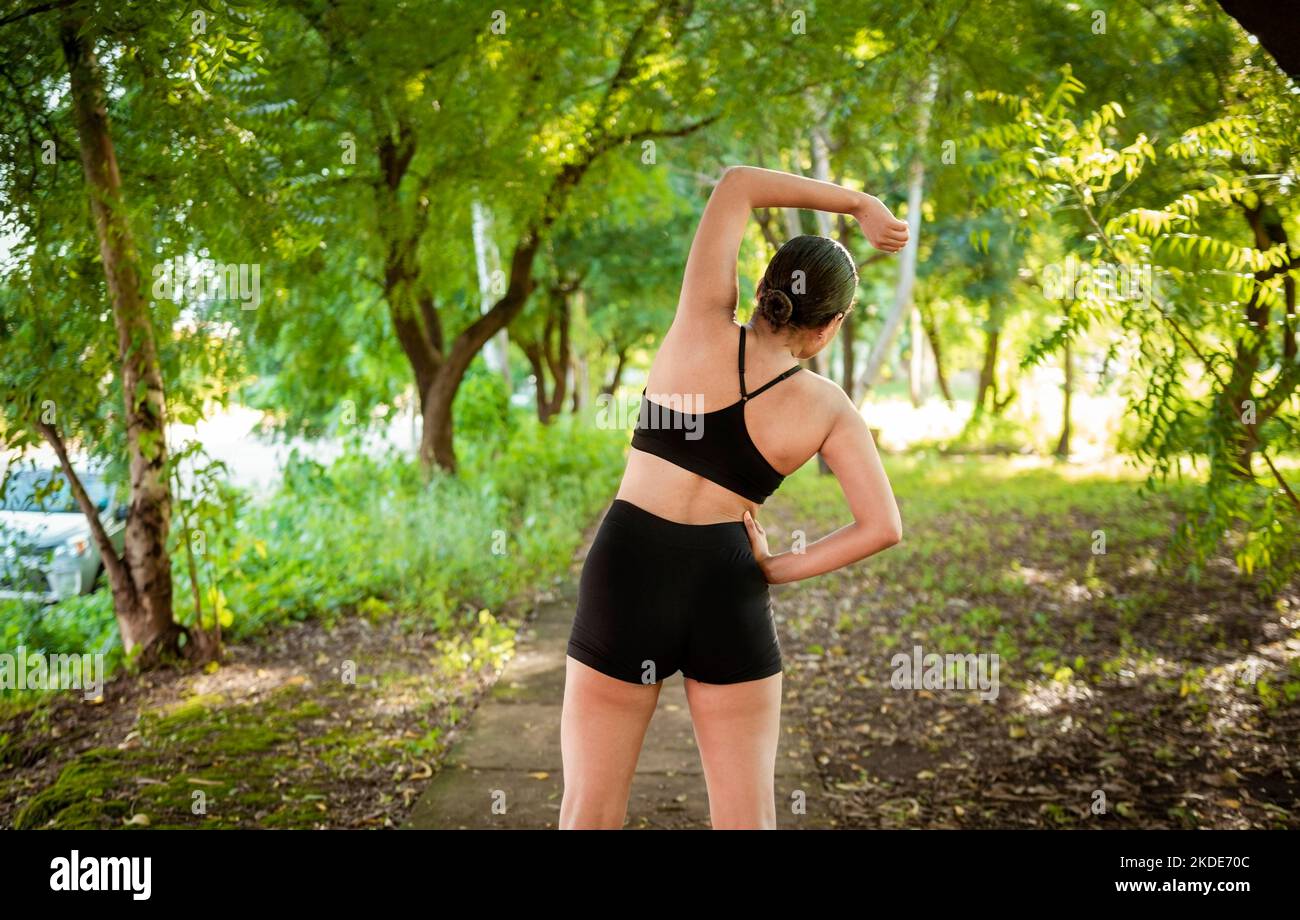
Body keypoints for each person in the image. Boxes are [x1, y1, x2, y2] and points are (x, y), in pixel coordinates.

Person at [559, 164, 907, 829]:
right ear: (830, 327)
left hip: (628, 568)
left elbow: (738, 183)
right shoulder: (828, 408)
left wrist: (859, 204)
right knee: (748, 818)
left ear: (762, 290)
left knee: (590, 812)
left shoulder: (698, 323)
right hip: (726, 586)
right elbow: (882, 526)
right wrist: (774, 569)